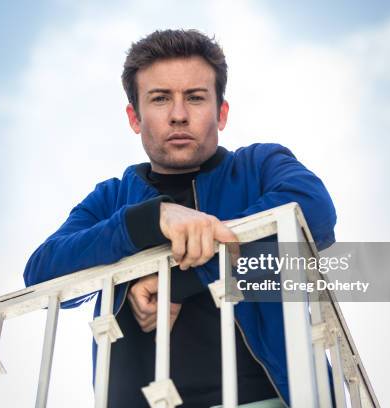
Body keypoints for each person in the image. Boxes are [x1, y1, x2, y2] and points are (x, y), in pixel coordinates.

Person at [23, 29, 336, 408]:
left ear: (221, 112)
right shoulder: (112, 198)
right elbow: (40, 274)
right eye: (159, 99)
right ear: (134, 118)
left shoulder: (259, 166)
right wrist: (149, 220)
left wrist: (174, 279)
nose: (178, 115)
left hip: (269, 399)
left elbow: (314, 213)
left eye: (195, 97)